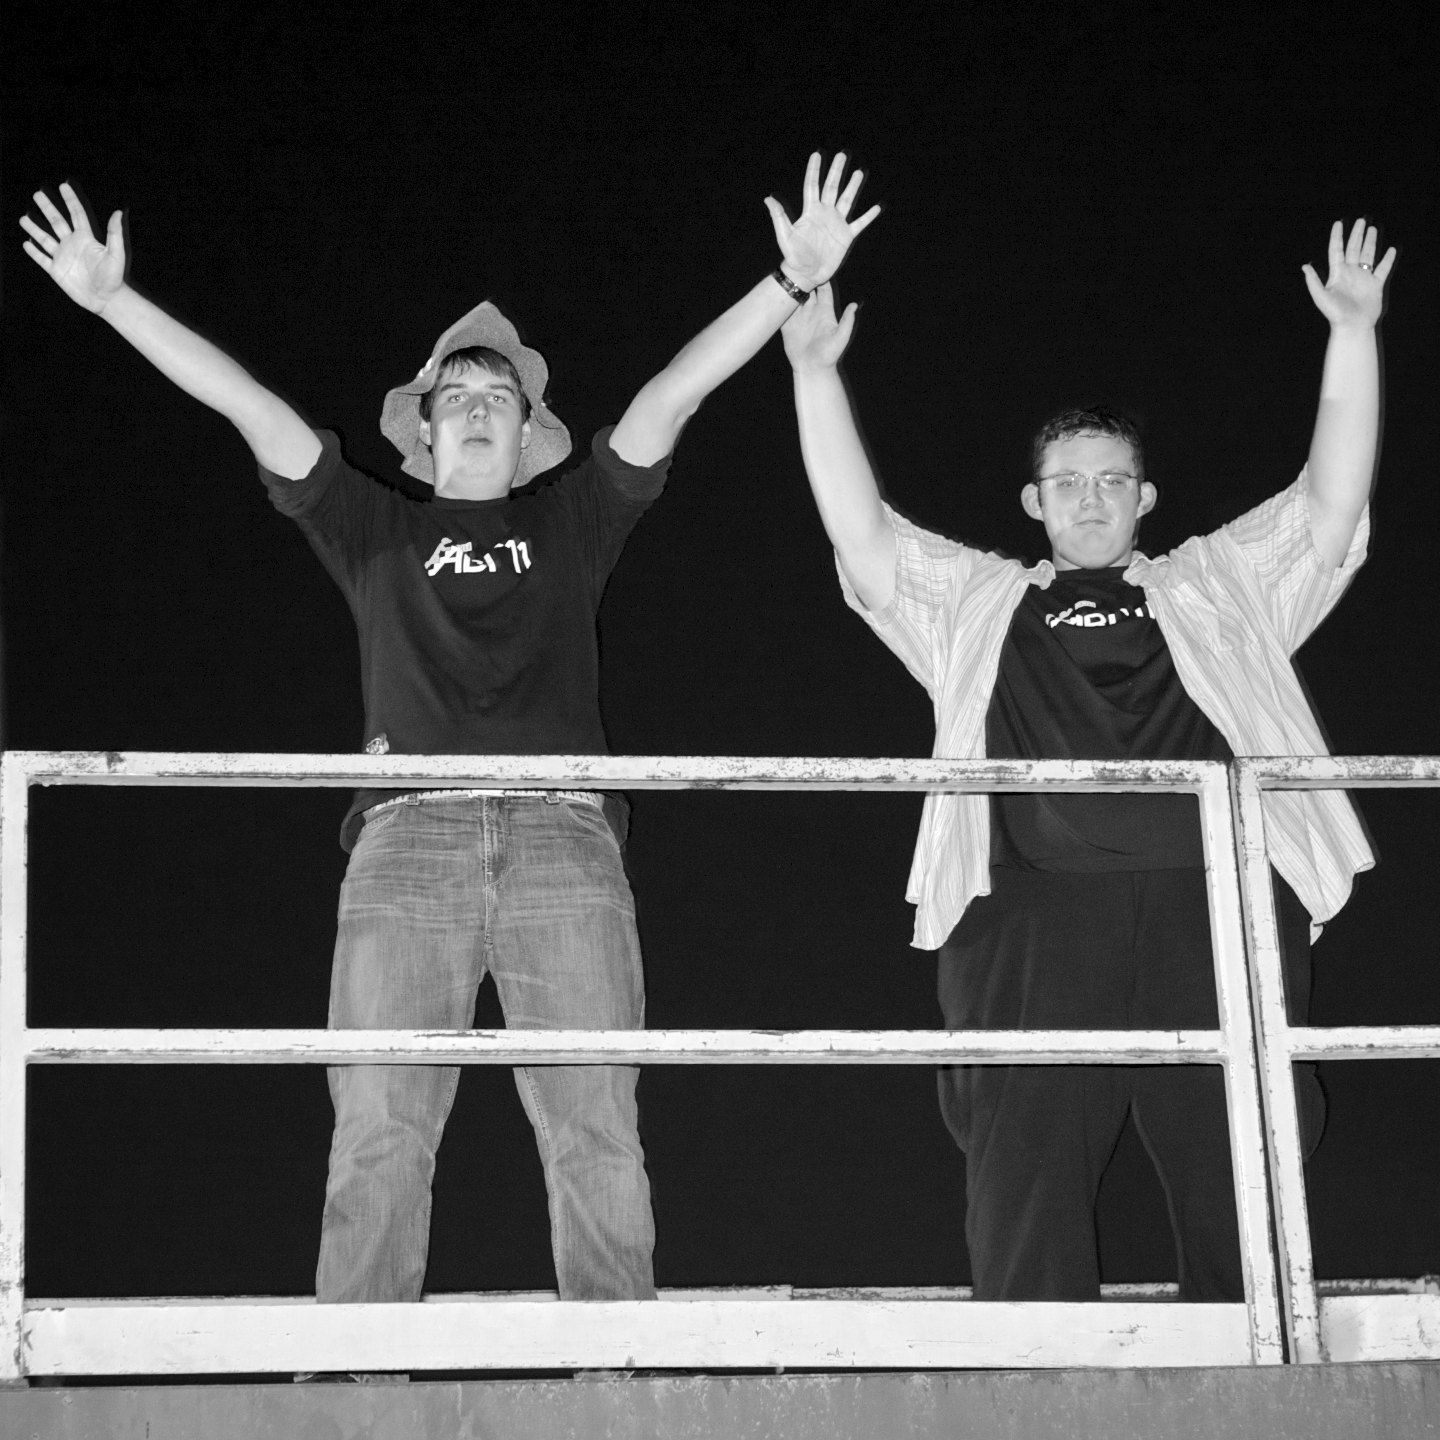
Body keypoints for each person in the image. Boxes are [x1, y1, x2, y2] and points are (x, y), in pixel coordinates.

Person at [20, 153, 879, 1308]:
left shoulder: (574, 521)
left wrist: (790, 281)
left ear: (528, 437)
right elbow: (250, 408)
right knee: (379, 1127)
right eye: (457, 398)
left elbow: (671, 396)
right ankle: (358, 1376)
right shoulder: (371, 527)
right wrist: (113, 299)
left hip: (564, 841)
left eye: (499, 400)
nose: (478, 411)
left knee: (595, 1125)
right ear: (423, 433)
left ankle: (616, 1369)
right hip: (405, 842)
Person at [781, 220, 1394, 1300]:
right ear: (1035, 501)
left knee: (1244, 1155)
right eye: (1068, 482)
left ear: (1145, 498)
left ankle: (1257, 1362)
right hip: (1029, 908)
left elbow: (1329, 501)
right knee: (1023, 1156)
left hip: (1215, 899)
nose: (1092, 498)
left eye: (1114, 481)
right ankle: (1036, 1363)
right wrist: (813, 374)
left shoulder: (1218, 582)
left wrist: (1352, 333)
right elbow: (863, 533)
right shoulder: (977, 600)